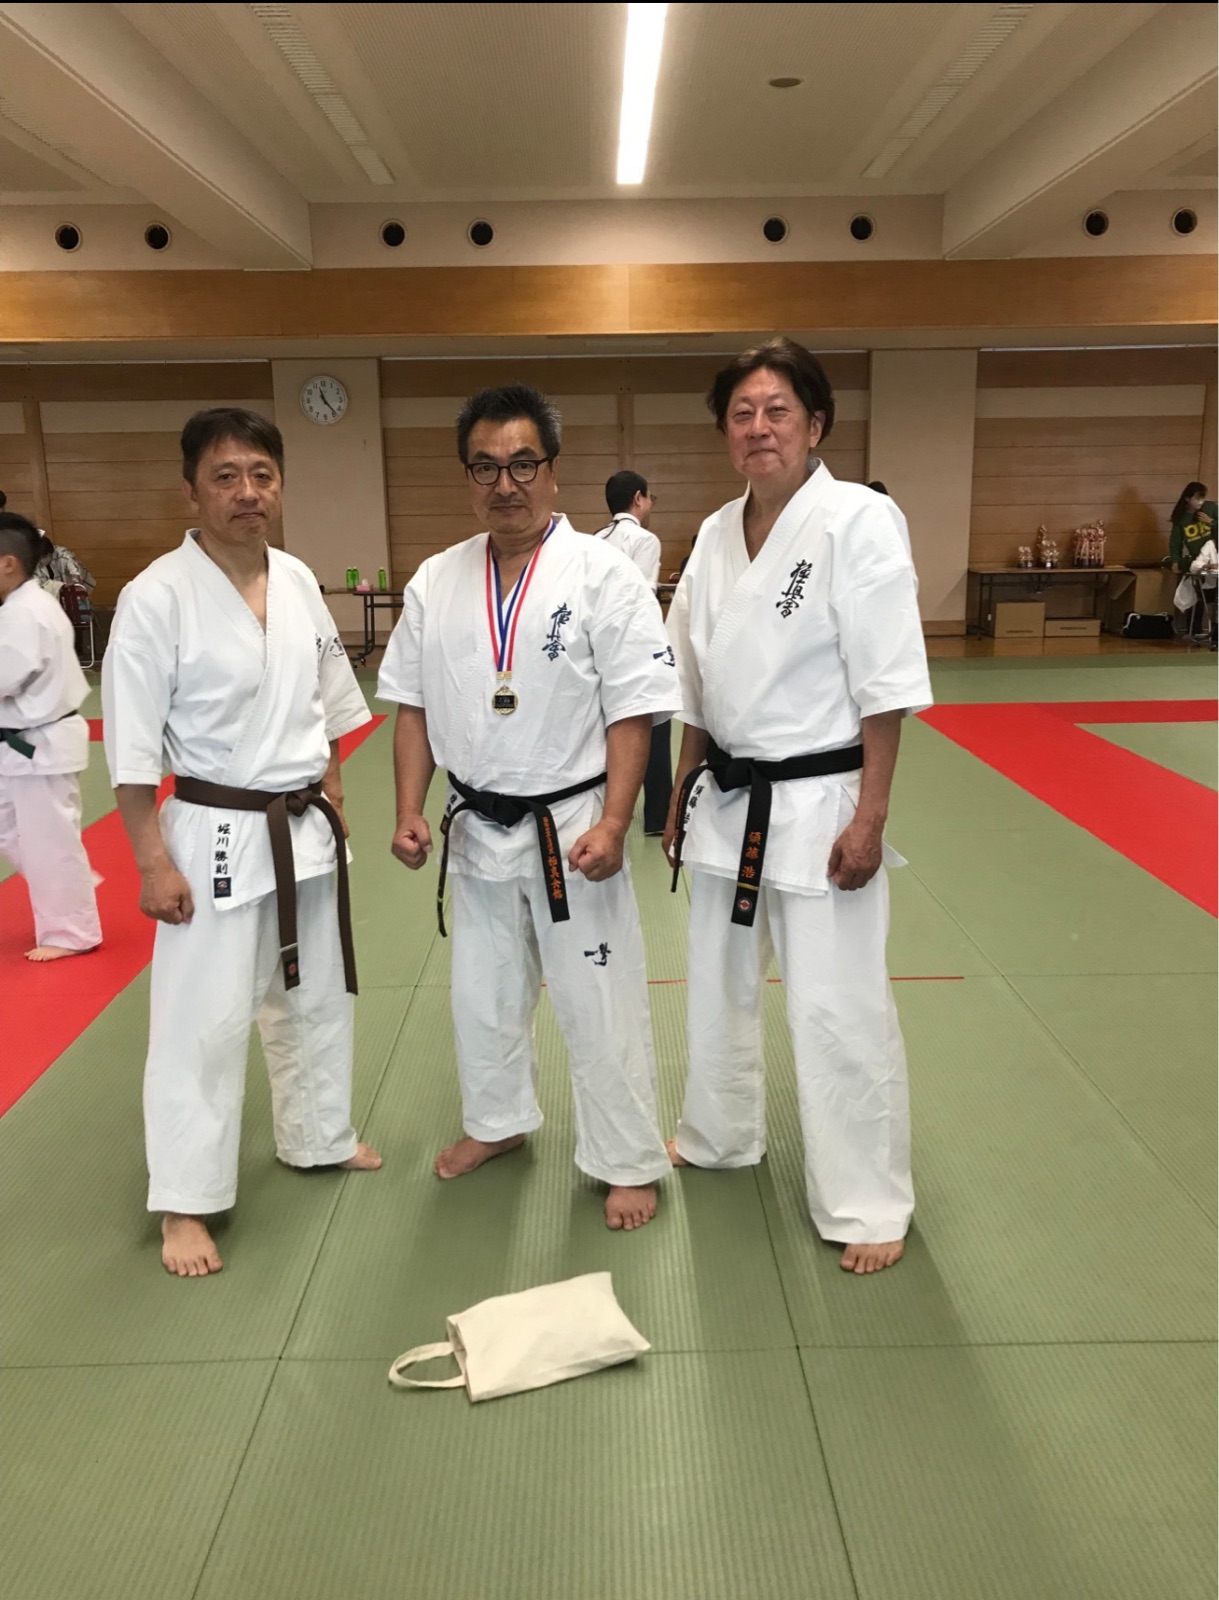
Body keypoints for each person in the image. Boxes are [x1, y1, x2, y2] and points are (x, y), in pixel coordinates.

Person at [378, 384, 679, 1230]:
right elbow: (411, 706)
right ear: (466, 476)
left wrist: (616, 821)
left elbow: (633, 710)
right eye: (484, 467)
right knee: (482, 995)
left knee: (597, 999)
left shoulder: (603, 574)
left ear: (551, 470)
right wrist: (409, 807)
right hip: (475, 827)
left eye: (521, 464)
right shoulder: (435, 579)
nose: (503, 484)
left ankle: (626, 1158)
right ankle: (497, 1121)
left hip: (571, 827)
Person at [663, 337, 932, 1275]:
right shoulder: (711, 533)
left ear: (815, 425)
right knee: (715, 986)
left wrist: (872, 815)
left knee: (836, 1008)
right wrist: (680, 784)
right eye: (741, 413)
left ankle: (867, 1200)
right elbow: (691, 679)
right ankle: (718, 1133)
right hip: (726, 800)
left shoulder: (857, 520)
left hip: (822, 802)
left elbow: (885, 682)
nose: (758, 427)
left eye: (777, 410)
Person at [102, 407, 380, 1279]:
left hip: (304, 828)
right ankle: (185, 1199)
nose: (247, 492)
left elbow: (328, 703)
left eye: (261, 475)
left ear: (280, 485)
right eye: (225, 476)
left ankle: (318, 1135)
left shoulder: (296, 579)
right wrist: (151, 861)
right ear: (192, 491)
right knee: (204, 1023)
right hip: (213, 832)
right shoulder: (155, 597)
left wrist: (334, 791)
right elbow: (132, 751)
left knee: (316, 997)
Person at [0, 511, 101, 961]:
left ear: (8, 563)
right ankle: (71, 885)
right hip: (27, 743)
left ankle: (72, 932)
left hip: (40, 744)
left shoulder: (25, 613)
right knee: (11, 832)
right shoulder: (21, 607)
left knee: (48, 841)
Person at [594, 470, 671, 834]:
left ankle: (604, 809)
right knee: (654, 726)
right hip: (636, 643)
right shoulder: (645, 539)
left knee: (607, 728)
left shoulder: (595, 539)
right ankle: (656, 816)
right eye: (650, 497)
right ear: (639, 497)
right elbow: (639, 596)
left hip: (598, 644)